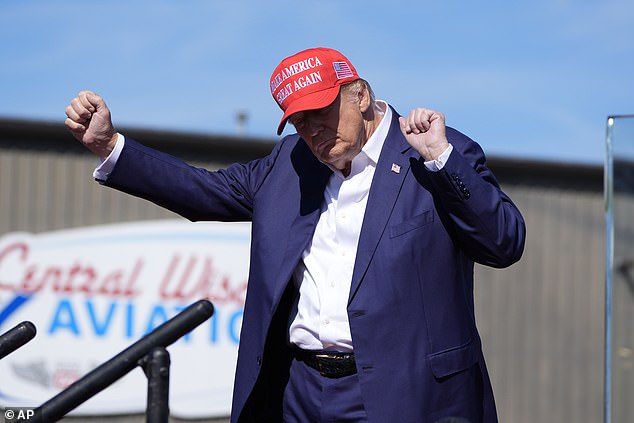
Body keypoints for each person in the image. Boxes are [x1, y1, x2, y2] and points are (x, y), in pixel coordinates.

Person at [65, 47, 526, 423]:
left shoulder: (435, 151)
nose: (312, 130)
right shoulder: (287, 164)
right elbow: (203, 191)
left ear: (360, 95)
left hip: (408, 395)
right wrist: (110, 147)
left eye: (321, 112)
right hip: (300, 393)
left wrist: (442, 162)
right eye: (299, 121)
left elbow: (504, 243)